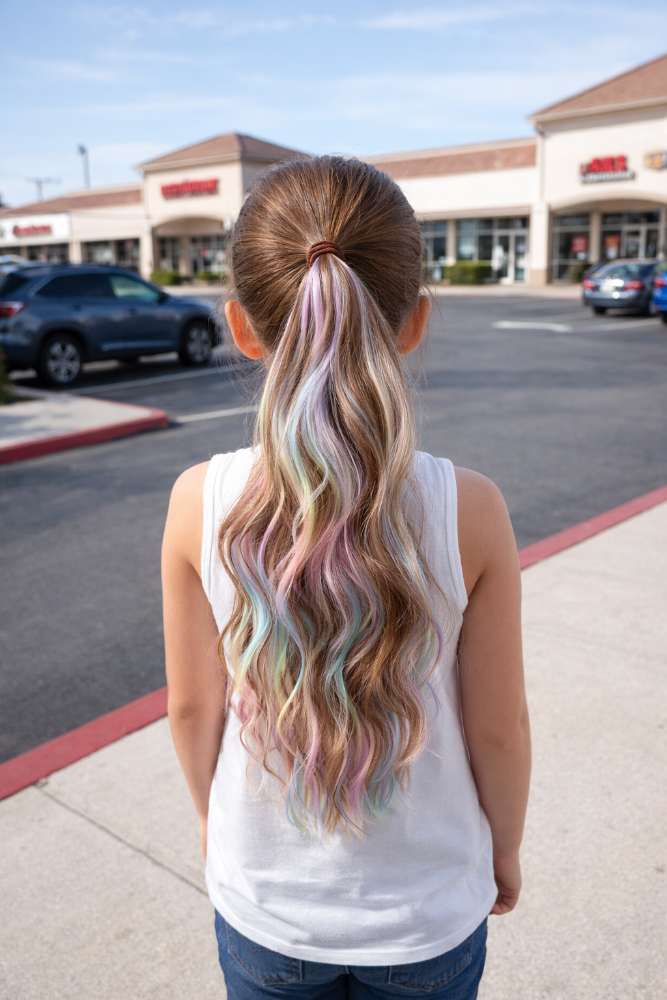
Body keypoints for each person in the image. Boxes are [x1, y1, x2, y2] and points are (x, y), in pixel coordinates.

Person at [162, 156, 530, 1000]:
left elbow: (191, 708)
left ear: (242, 329)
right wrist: (501, 848)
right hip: (427, 913)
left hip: (267, 911)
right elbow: (499, 728)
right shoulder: (467, 507)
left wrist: (211, 826)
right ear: (413, 322)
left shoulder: (198, 501)